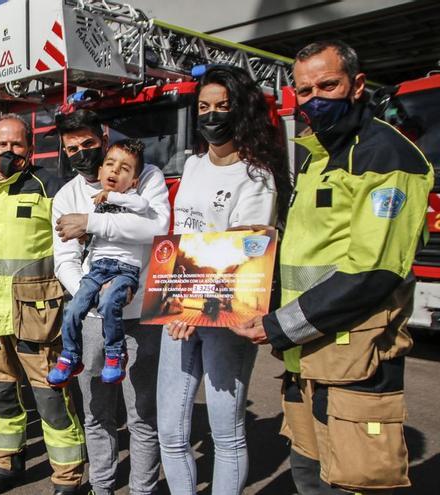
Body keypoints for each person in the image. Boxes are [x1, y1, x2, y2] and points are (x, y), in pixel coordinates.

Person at [229, 40, 432, 494]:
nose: (314, 97)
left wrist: (278, 325)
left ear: (357, 85)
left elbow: (372, 272)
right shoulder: (318, 157)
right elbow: (306, 252)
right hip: (310, 357)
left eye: (327, 84)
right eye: (304, 90)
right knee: (308, 472)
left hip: (353, 358)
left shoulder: (386, 157)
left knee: (353, 482)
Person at [157, 65, 289, 495]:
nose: (212, 116)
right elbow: (183, 240)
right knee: (171, 431)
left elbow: (244, 254)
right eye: (204, 107)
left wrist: (194, 307)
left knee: (225, 432)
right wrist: (179, 304)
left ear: (242, 111)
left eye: (223, 107)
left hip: (228, 317)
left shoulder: (257, 176)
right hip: (179, 313)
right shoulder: (193, 166)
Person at [0, 114, 86, 495]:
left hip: (39, 314)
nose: (8, 151)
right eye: (2, 144)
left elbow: (72, 248)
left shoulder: (51, 187)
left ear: (29, 149)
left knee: (51, 397)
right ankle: (6, 466)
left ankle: (68, 478)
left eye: (17, 144)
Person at [52, 109, 170, 495]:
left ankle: (142, 490)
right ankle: (102, 487)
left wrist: (90, 222)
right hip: (93, 318)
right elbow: (64, 261)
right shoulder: (66, 195)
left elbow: (157, 229)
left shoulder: (145, 175)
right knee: (97, 412)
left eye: (88, 144)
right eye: (72, 148)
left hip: (141, 315)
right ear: (64, 151)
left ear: (103, 138)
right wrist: (93, 296)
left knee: (141, 414)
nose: (81, 153)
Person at [48, 139, 149, 387]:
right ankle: (70, 355)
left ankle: (115, 354)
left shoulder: (134, 197)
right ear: (100, 171)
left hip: (125, 270)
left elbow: (143, 206)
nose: (114, 171)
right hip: (98, 269)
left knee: (109, 302)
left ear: (134, 181)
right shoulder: (90, 199)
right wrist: (85, 235)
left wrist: (114, 196)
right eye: (110, 166)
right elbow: (77, 247)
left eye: (124, 170)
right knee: (73, 309)